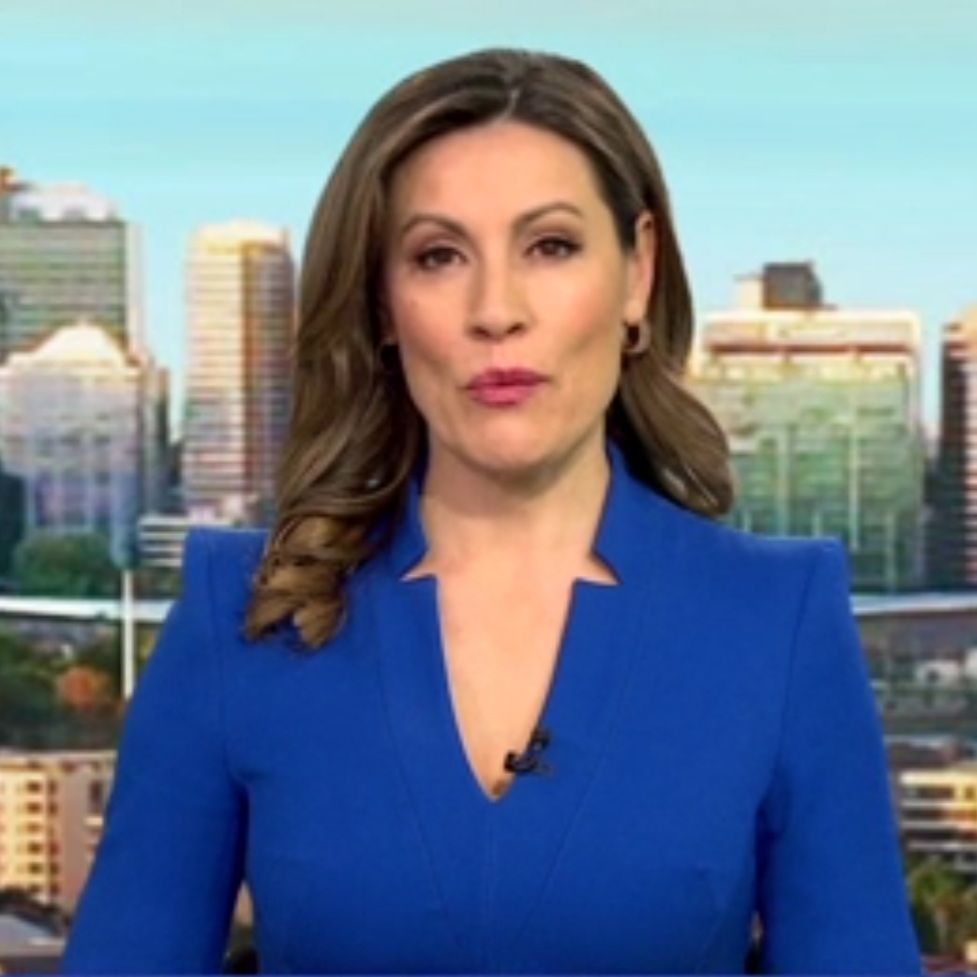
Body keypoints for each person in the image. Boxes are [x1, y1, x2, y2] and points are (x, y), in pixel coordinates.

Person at [62, 47, 922, 975]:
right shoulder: (243, 611)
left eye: (550, 246)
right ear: (382, 304)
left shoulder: (776, 617)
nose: (495, 310)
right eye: (438, 256)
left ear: (636, 273)